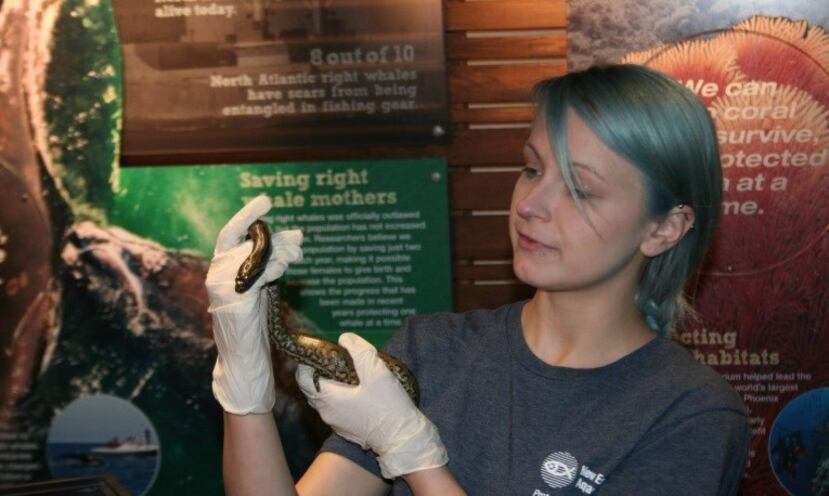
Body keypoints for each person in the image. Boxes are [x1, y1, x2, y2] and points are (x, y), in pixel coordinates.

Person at [206, 64, 750, 495]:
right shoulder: (433, 350)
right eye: (532, 169)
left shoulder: (689, 413)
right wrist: (244, 385)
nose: (531, 205)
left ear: (664, 228)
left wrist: (417, 458)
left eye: (581, 190)